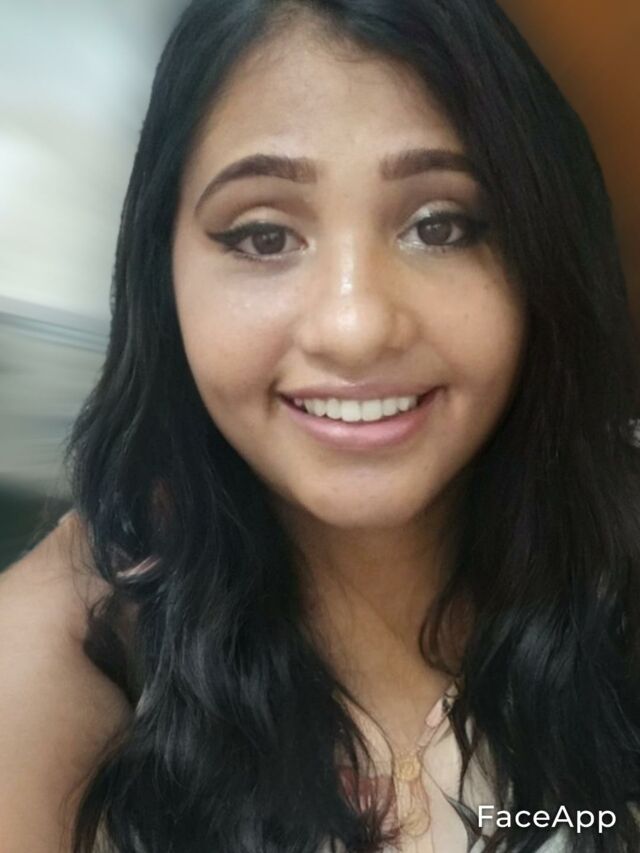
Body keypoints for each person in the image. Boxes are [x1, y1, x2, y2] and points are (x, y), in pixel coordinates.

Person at [2, 0, 640, 850]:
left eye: (440, 226)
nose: (355, 326)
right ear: (163, 276)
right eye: (265, 236)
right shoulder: (76, 637)